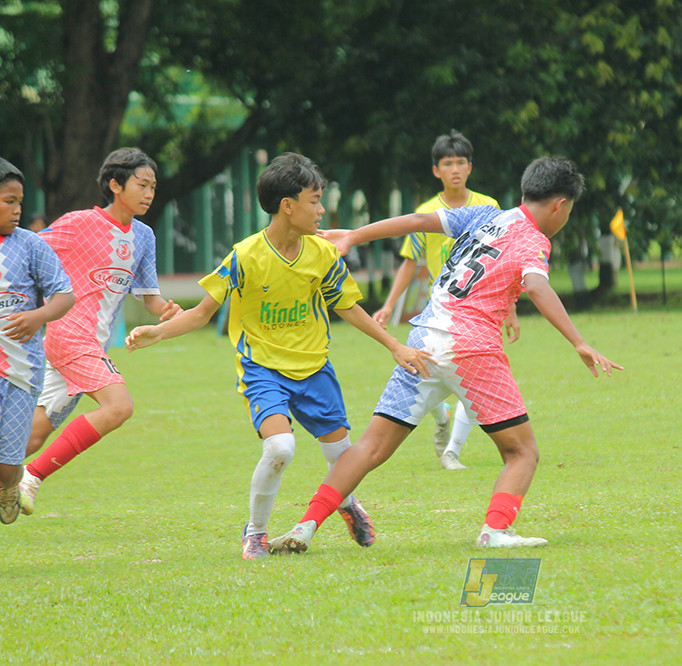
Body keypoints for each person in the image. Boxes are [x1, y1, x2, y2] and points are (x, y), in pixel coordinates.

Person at [270, 156, 622, 553]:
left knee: (370, 447)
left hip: (423, 338)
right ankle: (495, 530)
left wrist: (354, 235)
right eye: (570, 210)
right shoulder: (533, 241)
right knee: (521, 452)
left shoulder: (485, 214)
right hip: (472, 347)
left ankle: (304, 526)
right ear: (560, 205)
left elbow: (421, 223)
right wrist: (578, 340)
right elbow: (538, 287)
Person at [125, 153, 432, 560]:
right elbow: (201, 313)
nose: (322, 210)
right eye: (315, 200)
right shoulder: (245, 255)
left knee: (343, 457)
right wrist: (157, 332)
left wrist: (395, 345)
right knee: (280, 448)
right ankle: (255, 533)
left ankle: (346, 503)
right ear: (288, 205)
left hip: (315, 368)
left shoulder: (322, 254)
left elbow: (347, 307)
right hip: (264, 370)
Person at [19, 148, 182, 515]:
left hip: (87, 344)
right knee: (119, 407)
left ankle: (17, 470)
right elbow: (27, 247)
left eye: (153, 187)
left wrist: (168, 311)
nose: (149, 193)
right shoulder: (78, 223)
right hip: (70, 334)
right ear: (115, 185)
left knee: (30, 436)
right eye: (142, 185)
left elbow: (150, 298)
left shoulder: (143, 236)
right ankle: (31, 478)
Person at [371, 130, 510, 471]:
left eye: (461, 162)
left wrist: (512, 311)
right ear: (436, 170)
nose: (455, 170)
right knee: (418, 369)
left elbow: (502, 263)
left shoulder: (488, 208)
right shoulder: (426, 212)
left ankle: (451, 451)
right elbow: (410, 262)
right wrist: (389, 305)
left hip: (479, 313)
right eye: (448, 164)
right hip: (439, 314)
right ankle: (441, 416)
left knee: (474, 376)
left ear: (470, 167)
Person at [0, 158, 75, 524]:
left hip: (21, 375)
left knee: (8, 465)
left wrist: (36, 316)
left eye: (19, 201)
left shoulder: (30, 246)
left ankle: (10, 486)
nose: (17, 210)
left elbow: (64, 295)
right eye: (8, 201)